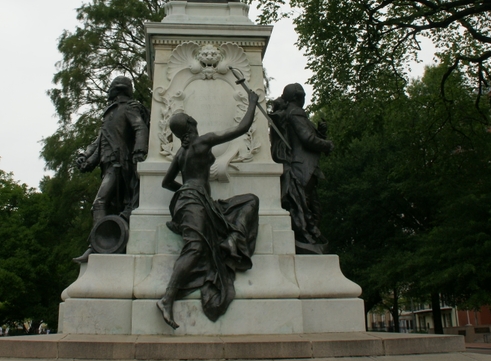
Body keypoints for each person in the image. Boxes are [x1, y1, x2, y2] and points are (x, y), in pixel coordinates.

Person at [156, 89, 261, 329]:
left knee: (249, 201)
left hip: (197, 201)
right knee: (195, 248)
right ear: (192, 124)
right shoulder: (202, 142)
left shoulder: (181, 153)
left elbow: (166, 183)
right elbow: (241, 129)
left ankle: (232, 240)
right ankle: (167, 298)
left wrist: (185, 190)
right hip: (194, 201)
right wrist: (252, 102)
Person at [74, 76, 149, 262]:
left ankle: (97, 246)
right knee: (113, 205)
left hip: (119, 163)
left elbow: (140, 127)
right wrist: (86, 157)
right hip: (108, 164)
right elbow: (99, 141)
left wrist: (139, 150)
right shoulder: (111, 113)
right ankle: (106, 244)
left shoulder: (128, 108)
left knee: (100, 203)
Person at [269, 83, 333, 253]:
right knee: (306, 208)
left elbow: (304, 137)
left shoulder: (290, 113)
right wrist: (327, 145)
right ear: (298, 97)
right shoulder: (295, 112)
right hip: (302, 168)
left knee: (309, 207)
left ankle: (309, 240)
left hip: (302, 167)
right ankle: (306, 240)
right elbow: (307, 139)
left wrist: (321, 133)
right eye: (303, 95)